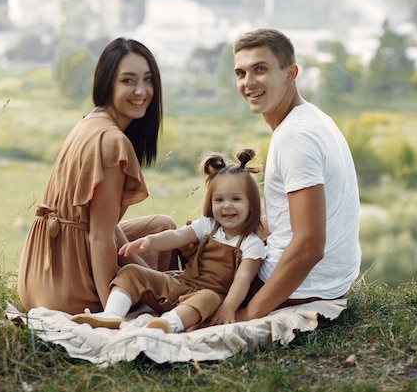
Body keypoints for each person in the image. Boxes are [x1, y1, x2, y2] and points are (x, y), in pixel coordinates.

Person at [17, 37, 178, 316]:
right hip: (66, 284)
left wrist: (142, 269)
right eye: (128, 81)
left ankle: (155, 293)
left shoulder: (92, 121)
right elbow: (100, 237)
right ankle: (141, 302)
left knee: (163, 227)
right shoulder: (112, 141)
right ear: (107, 84)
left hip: (37, 272)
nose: (141, 91)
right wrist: (110, 314)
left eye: (147, 80)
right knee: (163, 281)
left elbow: (102, 223)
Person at [231, 28, 362, 321]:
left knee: (186, 276)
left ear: (291, 73)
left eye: (260, 69)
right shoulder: (311, 117)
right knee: (205, 238)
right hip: (331, 279)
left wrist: (251, 312)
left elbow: (309, 245)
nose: (248, 82)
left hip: (306, 286)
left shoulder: (295, 137)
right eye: (240, 73)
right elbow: (292, 222)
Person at [70, 148, 266, 333]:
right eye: (219, 200)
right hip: (180, 284)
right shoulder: (208, 225)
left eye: (236, 199)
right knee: (131, 272)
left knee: (208, 298)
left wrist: (229, 307)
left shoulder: (251, 244)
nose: (227, 206)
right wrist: (150, 241)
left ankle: (166, 324)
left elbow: (242, 280)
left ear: (252, 204)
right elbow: (177, 236)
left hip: (208, 297)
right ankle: (111, 315)